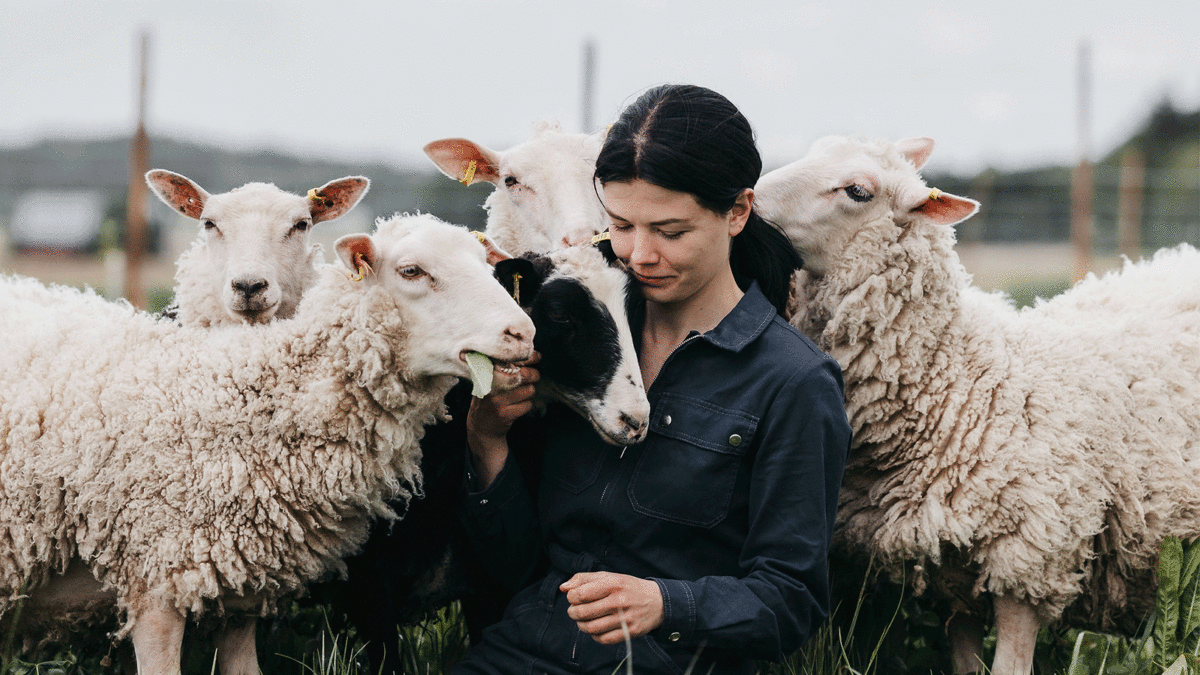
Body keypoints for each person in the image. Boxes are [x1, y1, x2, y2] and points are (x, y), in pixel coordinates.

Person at [453, 84, 851, 675]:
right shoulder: (573, 337)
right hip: (519, 656)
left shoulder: (792, 381)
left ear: (738, 212)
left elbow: (791, 601)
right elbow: (518, 569)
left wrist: (668, 603)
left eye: (670, 231)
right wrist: (486, 441)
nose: (639, 255)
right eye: (619, 225)